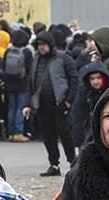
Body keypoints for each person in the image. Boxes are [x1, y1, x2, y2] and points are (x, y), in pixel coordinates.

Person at [24, 31, 77, 176]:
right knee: (48, 136)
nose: (41, 47)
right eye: (39, 44)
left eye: (44, 44)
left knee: (65, 134)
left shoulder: (63, 57)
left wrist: (68, 101)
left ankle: (74, 163)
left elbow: (73, 80)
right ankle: (54, 164)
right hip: (41, 105)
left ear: (50, 44)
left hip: (60, 103)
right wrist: (28, 104)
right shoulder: (36, 59)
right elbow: (30, 82)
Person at [70, 62, 109, 149]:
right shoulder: (85, 92)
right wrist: (78, 140)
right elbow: (78, 115)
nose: (95, 82)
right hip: (91, 130)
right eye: (92, 79)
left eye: (98, 78)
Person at [1, 29, 33, 142]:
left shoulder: (8, 51)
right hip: (22, 83)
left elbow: (3, 67)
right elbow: (31, 69)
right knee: (20, 108)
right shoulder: (26, 52)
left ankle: (11, 133)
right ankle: (19, 132)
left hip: (10, 84)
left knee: (11, 108)